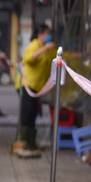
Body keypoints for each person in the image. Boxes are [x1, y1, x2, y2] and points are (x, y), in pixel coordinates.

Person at [19, 24, 57, 152]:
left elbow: (58, 57)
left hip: (38, 87)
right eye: (47, 33)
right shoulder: (34, 46)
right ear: (40, 34)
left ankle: (31, 143)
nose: (49, 36)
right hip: (28, 85)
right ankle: (23, 142)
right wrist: (45, 48)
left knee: (33, 113)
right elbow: (28, 58)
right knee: (27, 113)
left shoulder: (47, 49)